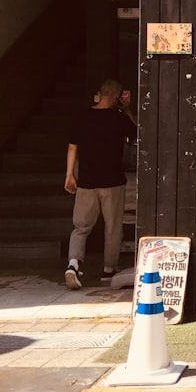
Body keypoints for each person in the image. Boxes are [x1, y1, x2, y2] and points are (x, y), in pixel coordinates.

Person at [63, 79, 137, 289]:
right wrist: (127, 111)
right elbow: (137, 134)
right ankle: (108, 269)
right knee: (113, 227)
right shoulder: (119, 118)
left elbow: (72, 147)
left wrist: (70, 175)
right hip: (112, 182)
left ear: (99, 94)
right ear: (117, 97)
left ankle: (73, 264)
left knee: (80, 227)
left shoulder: (82, 116)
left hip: (86, 181)